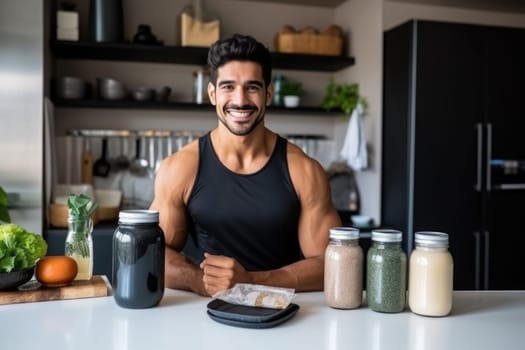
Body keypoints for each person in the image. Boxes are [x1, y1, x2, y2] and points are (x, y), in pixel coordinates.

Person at [149, 34, 342, 297]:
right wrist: (199, 280)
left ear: (268, 94)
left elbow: (333, 262)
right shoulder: (180, 168)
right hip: (205, 315)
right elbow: (153, 252)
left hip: (283, 317)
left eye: (252, 87)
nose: (240, 100)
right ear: (212, 94)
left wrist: (249, 281)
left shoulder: (304, 170)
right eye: (228, 87)